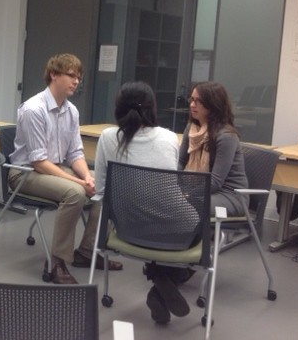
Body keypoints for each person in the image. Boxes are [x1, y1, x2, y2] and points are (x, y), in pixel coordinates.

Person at [75, 81, 183, 324]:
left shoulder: (107, 137)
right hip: (171, 229)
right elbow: (169, 187)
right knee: (194, 230)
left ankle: (158, 278)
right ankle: (161, 283)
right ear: (152, 107)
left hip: (126, 227)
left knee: (155, 228)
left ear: (118, 108)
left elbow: (101, 189)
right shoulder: (169, 138)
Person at [9, 53, 121, 285]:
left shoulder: (71, 111)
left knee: (106, 185)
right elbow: (39, 162)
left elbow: (75, 154)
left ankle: (87, 251)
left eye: (78, 77)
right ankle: (57, 262)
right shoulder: (33, 109)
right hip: (25, 173)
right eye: (71, 75)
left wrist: (87, 177)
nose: (76, 81)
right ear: (53, 75)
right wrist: (79, 183)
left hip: (55, 168)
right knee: (75, 193)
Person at [179, 81, 248, 216]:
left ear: (213, 105)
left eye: (198, 101)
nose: (192, 105)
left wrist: (187, 194)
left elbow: (215, 182)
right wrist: (173, 187)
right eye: (191, 99)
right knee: (167, 200)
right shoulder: (192, 129)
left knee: (183, 205)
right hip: (200, 192)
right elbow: (180, 163)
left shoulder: (226, 136)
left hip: (230, 196)